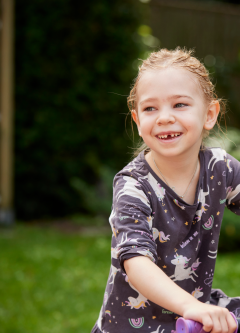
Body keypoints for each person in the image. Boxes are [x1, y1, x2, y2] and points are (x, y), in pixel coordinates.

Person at [91, 48, 240, 333]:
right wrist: (191, 306)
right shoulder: (133, 186)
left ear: (209, 114)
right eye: (150, 108)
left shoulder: (222, 169)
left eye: (179, 105)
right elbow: (136, 264)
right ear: (137, 121)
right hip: (133, 327)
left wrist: (196, 308)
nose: (163, 117)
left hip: (194, 317)